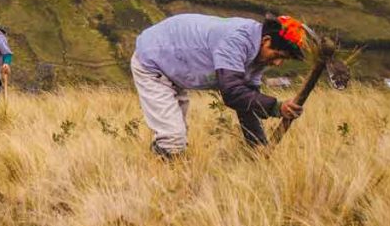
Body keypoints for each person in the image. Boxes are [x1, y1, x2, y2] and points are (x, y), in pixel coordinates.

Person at [131, 13, 308, 156]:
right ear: (266, 40)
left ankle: (164, 177)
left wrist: (258, 148)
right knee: (173, 139)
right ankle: (159, 183)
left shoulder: (257, 57)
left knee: (177, 137)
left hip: (175, 68)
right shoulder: (236, 40)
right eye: (278, 55)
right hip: (153, 61)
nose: (277, 63)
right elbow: (232, 93)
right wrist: (277, 107)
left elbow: (246, 104)